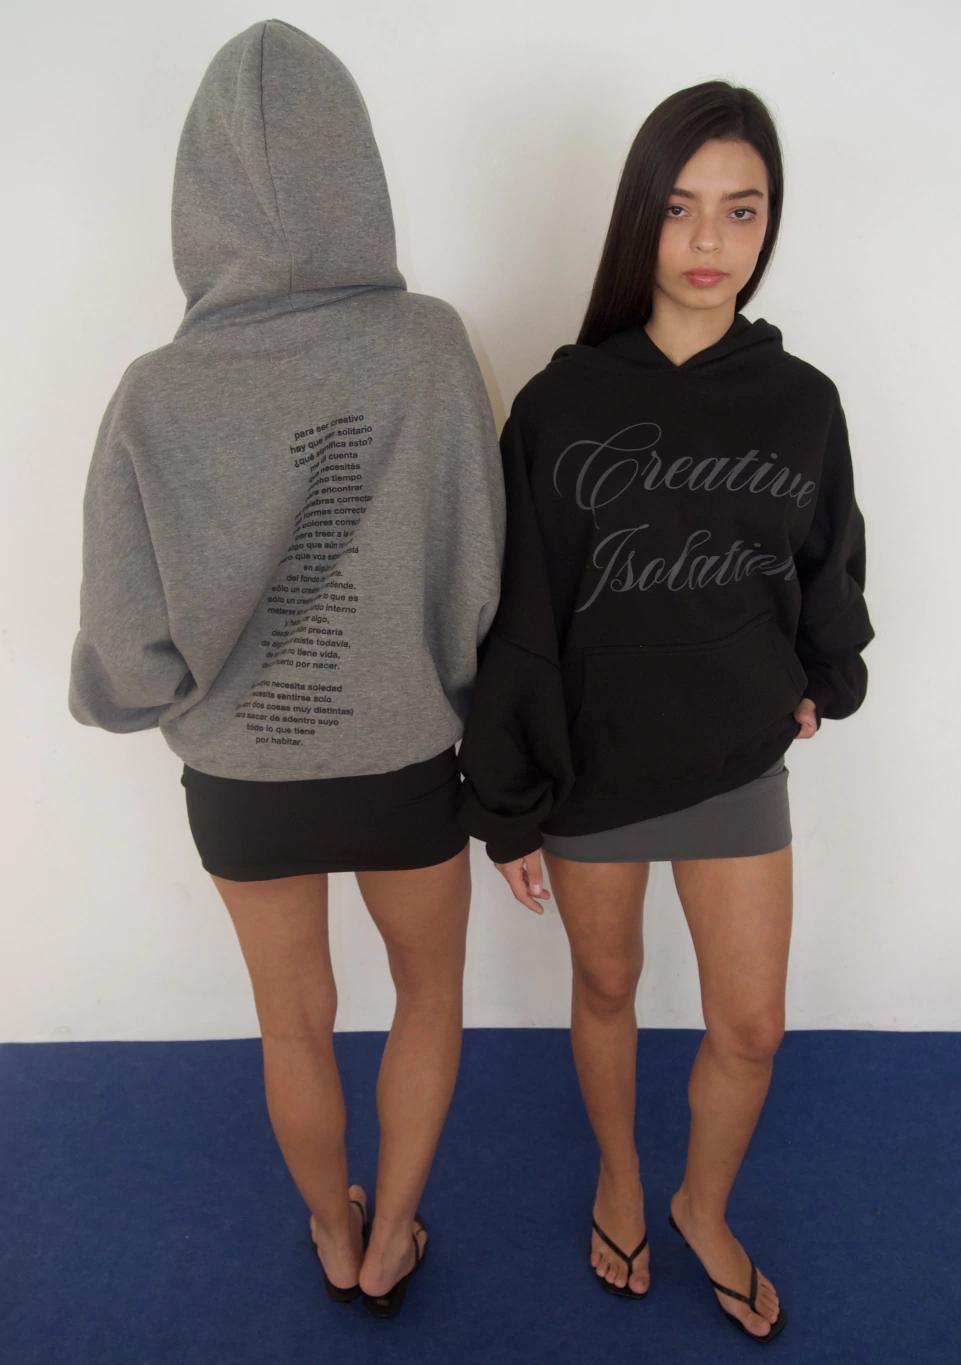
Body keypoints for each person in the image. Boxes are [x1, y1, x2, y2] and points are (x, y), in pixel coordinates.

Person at [68, 20, 504, 1319]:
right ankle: (395, 1235)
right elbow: (477, 572)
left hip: (241, 781)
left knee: (291, 1023)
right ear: (351, 172)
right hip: (404, 759)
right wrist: (449, 692)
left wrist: (167, 702)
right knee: (430, 997)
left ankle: (332, 1229)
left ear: (198, 197)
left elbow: (123, 640)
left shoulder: (154, 392)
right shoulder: (427, 345)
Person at [456, 80, 875, 1341]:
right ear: (639, 216)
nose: (708, 241)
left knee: (751, 1025)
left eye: (740, 211)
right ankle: (622, 1178)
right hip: (593, 769)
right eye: (681, 208)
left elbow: (829, 564)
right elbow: (521, 613)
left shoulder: (801, 402)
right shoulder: (561, 403)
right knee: (607, 989)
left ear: (769, 223)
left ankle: (702, 1204)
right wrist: (508, 802)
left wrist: (823, 676)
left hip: (736, 761)